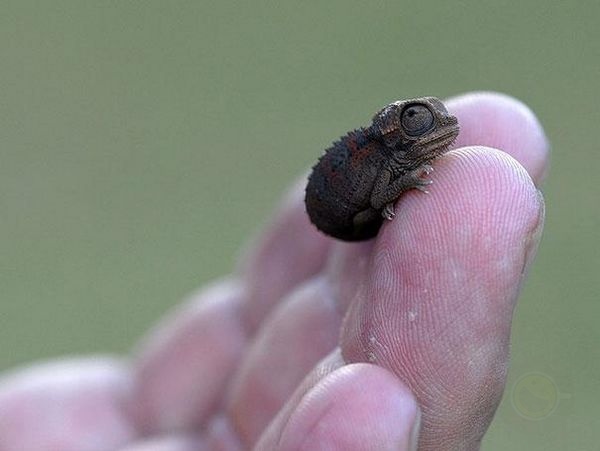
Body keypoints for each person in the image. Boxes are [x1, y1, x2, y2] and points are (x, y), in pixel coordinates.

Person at [0, 92, 548, 451]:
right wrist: (398, 192)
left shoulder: (389, 155)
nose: (439, 130)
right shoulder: (382, 159)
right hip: (337, 209)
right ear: (395, 132)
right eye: (419, 121)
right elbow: (377, 191)